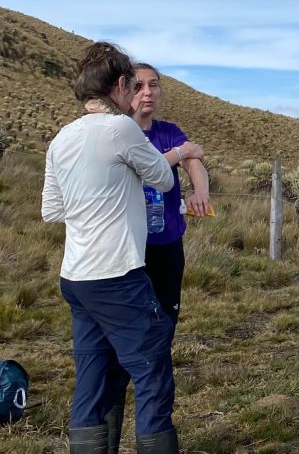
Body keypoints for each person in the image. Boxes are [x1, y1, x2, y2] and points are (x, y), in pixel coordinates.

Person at [42, 42, 181, 453]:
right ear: (120, 85)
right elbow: (163, 177)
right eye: (131, 85)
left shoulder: (61, 138)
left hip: (77, 276)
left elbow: (52, 210)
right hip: (117, 274)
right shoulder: (121, 128)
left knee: (93, 377)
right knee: (152, 370)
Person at [132, 63, 211, 322]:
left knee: (165, 318)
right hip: (129, 246)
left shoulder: (168, 132)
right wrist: (180, 152)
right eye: (139, 86)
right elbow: (145, 169)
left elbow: (193, 162)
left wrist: (200, 192)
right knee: (135, 322)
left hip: (167, 241)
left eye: (153, 85)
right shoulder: (119, 134)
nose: (147, 92)